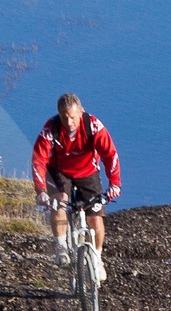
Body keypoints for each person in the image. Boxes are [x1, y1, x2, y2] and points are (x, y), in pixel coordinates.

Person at [31, 93, 121, 276]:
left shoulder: (93, 126)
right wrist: (41, 191)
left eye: (72, 117)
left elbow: (110, 155)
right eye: (64, 118)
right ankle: (61, 248)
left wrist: (115, 184)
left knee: (95, 217)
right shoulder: (51, 128)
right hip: (59, 172)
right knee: (59, 202)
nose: (69, 122)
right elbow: (38, 160)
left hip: (88, 172)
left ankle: (97, 258)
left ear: (81, 112)